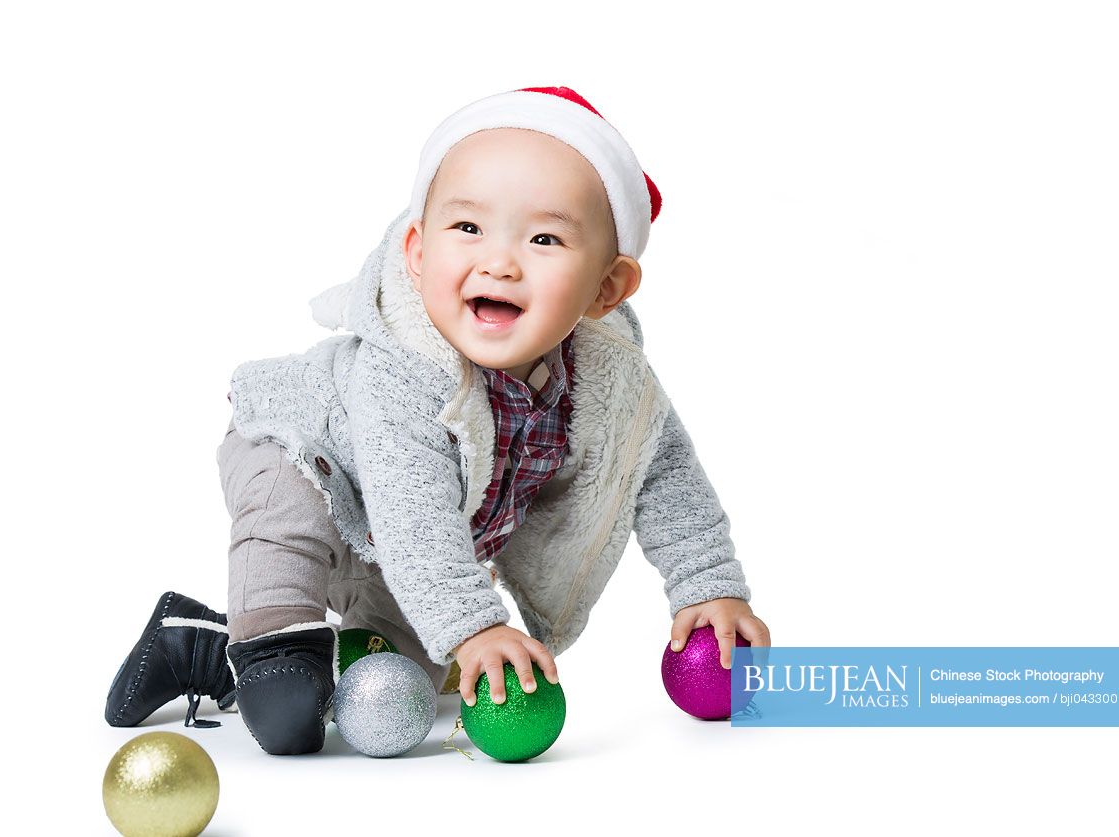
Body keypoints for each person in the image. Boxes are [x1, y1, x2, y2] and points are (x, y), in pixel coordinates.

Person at [106, 86, 771, 755]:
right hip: (301, 451)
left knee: (391, 684)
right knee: (283, 695)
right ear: (418, 253)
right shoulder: (403, 366)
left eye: (544, 238)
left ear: (606, 289)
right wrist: (473, 625)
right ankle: (269, 644)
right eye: (468, 228)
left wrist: (706, 588)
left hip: (403, 548)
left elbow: (662, 475)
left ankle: (193, 644)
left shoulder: (613, 382)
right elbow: (412, 508)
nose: (499, 260)